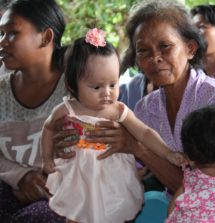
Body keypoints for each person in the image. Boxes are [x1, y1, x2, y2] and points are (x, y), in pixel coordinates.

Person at [42, 28, 184, 223]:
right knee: (75, 215)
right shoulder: (66, 109)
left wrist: (168, 153)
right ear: (72, 84)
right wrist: (46, 157)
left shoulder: (117, 110)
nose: (106, 93)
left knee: (116, 214)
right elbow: (48, 128)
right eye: (96, 87)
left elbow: (144, 133)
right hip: (80, 177)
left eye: (113, 84)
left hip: (113, 178)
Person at [118, 0, 215, 193]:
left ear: (190, 49)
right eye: (143, 51)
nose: (155, 58)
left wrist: (140, 149)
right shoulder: (145, 109)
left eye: (165, 46)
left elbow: (207, 191)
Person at [0, 0, 67, 222]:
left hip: (62, 193)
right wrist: (21, 177)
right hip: (11, 187)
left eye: (12, 33)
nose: (2, 42)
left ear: (46, 37)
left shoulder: (76, 87)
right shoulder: (1, 90)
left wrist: (47, 184)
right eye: (1, 34)